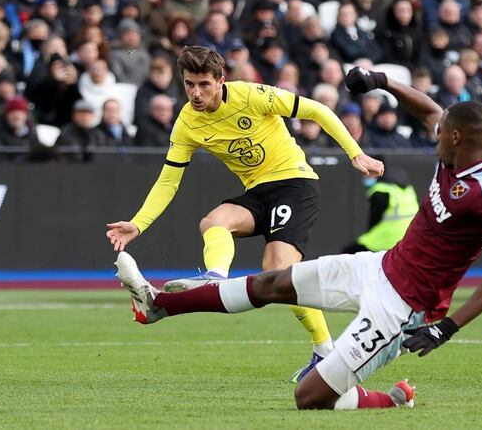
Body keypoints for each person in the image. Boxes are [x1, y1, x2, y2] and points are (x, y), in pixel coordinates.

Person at [115, 65, 482, 411]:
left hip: (403, 308)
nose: (435, 137)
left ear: (457, 139)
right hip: (380, 266)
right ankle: (159, 306)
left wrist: (446, 327)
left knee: (308, 397)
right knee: (272, 281)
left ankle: (386, 398)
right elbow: (430, 109)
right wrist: (381, 81)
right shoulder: (459, 142)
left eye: (441, 134)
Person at [105, 46, 385, 384]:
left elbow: (317, 110)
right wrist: (138, 223)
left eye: (204, 84)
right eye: (189, 84)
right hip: (259, 192)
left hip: (294, 183)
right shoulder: (187, 123)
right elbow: (168, 180)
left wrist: (355, 154)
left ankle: (325, 349)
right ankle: (216, 276)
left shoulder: (252, 95)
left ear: (221, 81)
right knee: (213, 221)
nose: (195, 93)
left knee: (278, 269)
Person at [342, 167, 418, 254]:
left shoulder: (380, 191)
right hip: (409, 239)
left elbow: (374, 221)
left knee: (348, 253)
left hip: (387, 239)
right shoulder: (407, 189)